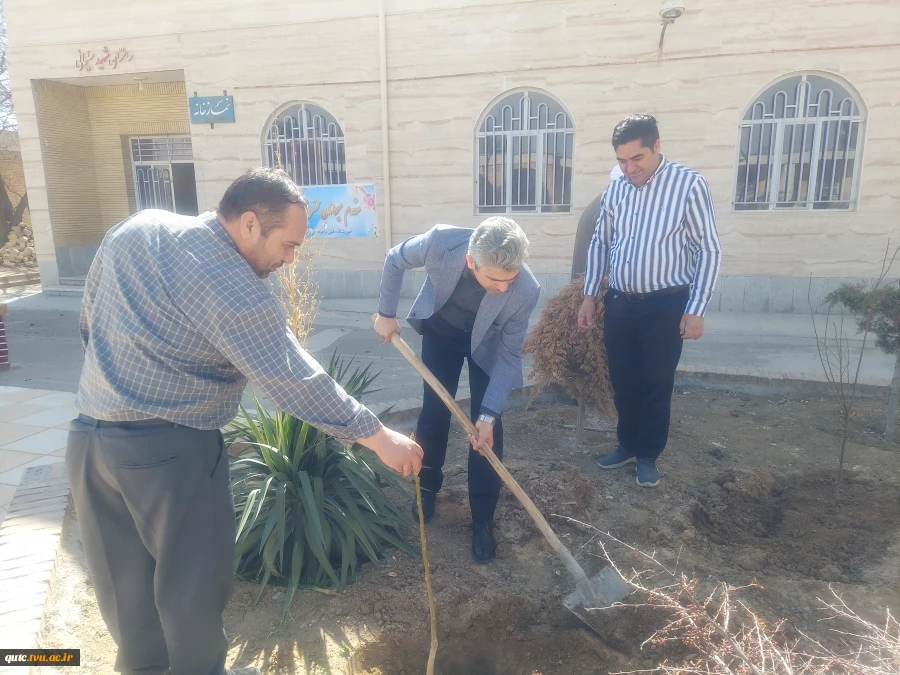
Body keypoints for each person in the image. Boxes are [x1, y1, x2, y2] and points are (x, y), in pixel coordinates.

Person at [67, 168, 424, 675]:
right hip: (169, 456)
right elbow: (290, 377)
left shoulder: (137, 228)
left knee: (126, 596)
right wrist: (377, 435)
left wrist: (114, 383)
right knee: (190, 591)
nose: (289, 260)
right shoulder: (230, 283)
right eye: (287, 244)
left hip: (88, 442)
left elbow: (90, 319)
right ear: (250, 222)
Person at [373, 218, 540, 562]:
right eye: (494, 280)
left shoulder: (525, 288)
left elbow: (510, 356)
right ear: (470, 261)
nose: (504, 288)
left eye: (510, 280)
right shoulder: (440, 243)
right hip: (442, 335)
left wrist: (489, 416)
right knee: (433, 415)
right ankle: (427, 488)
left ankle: (482, 519)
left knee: (487, 432)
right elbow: (394, 259)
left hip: (488, 346)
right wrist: (385, 313)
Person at [578, 114, 721, 487]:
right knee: (623, 381)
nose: (629, 168)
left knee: (656, 383)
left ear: (657, 146)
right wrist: (589, 296)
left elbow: (708, 250)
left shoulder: (688, 186)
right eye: (621, 161)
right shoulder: (617, 190)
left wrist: (696, 309)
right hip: (621, 302)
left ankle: (647, 455)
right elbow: (600, 243)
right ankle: (626, 445)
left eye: (636, 158)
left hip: (665, 304)